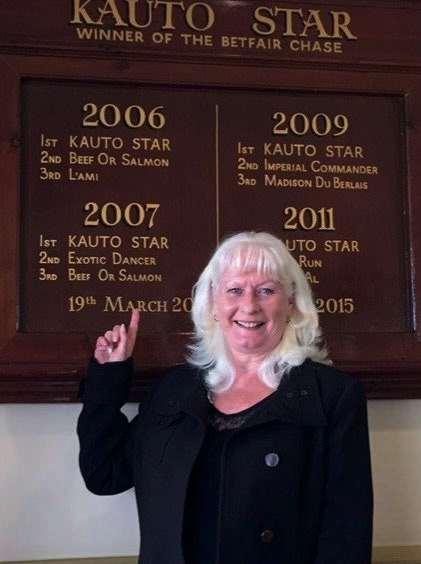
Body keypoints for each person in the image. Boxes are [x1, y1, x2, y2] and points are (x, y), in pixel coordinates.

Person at [77, 231, 373, 564]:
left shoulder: (332, 395)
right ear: (213, 303)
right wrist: (109, 377)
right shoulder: (173, 389)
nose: (249, 305)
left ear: (291, 304)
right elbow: (104, 474)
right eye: (234, 290)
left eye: (267, 290)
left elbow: (346, 532)